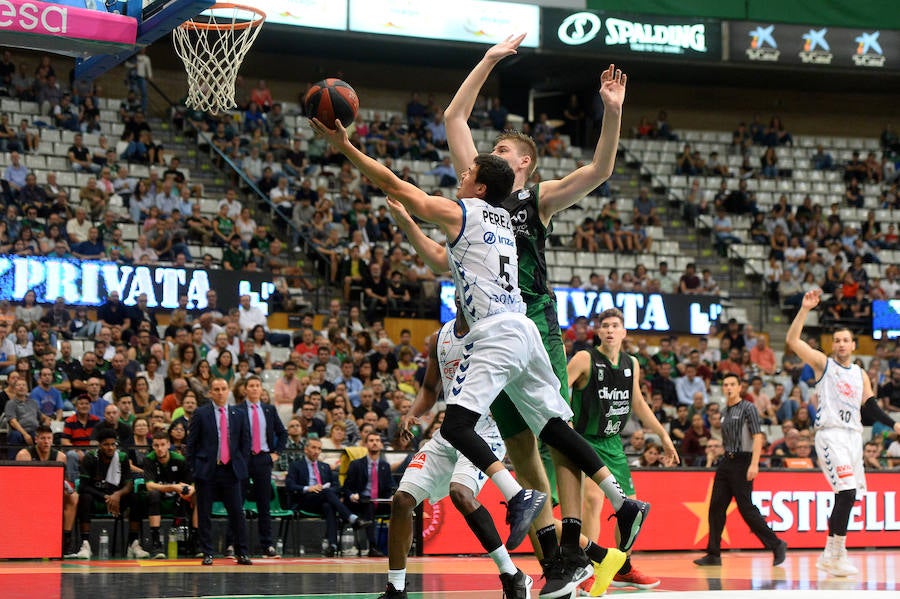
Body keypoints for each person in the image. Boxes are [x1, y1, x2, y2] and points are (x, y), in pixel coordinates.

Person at [310, 63, 647, 599]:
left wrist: (612, 112)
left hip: (524, 318)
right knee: (528, 440)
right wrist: (489, 58)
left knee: (530, 439)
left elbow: (600, 169)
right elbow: (453, 119)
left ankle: (574, 544)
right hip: (507, 324)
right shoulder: (483, 204)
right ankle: (560, 554)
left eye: (501, 150)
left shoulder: (526, 200)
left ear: (523, 166)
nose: (480, 155)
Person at [378, 311, 529, 599]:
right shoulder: (440, 337)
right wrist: (412, 413)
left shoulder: (493, 332)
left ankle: (512, 574)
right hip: (449, 431)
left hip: (485, 433)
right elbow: (428, 388)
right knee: (401, 500)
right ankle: (396, 588)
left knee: (461, 493)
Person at [786, 288, 900, 577]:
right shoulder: (824, 364)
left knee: (847, 496)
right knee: (847, 491)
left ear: (853, 344)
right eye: (836, 340)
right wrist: (804, 310)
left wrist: (894, 423)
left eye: (845, 340)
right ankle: (834, 554)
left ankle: (832, 554)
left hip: (853, 437)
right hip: (830, 434)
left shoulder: (860, 373)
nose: (840, 344)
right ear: (833, 345)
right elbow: (791, 341)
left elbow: (870, 406)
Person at [566, 308, 679, 591]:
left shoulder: (632, 363)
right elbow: (557, 390)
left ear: (624, 332)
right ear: (598, 332)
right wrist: (562, 426)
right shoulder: (584, 358)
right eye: (604, 326)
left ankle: (623, 567)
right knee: (593, 500)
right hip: (585, 440)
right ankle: (589, 568)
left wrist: (663, 434)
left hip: (613, 443)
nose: (609, 330)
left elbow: (638, 403)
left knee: (630, 507)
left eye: (615, 325)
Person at [692, 374, 787, 567]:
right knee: (716, 507)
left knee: (746, 509)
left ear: (740, 387)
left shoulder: (748, 408)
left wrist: (754, 464)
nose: (728, 388)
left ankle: (776, 544)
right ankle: (714, 553)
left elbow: (758, 436)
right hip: (727, 461)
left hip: (743, 462)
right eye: (725, 384)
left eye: (732, 384)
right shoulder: (725, 411)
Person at [187, 378, 253, 566]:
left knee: (237, 513)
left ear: (228, 391)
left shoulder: (238, 413)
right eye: (216, 389)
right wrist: (194, 468)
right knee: (205, 513)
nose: (220, 392)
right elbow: (191, 443)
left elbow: (245, 443)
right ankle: (207, 552)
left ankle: (242, 552)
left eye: (223, 389)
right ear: (210, 392)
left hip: (230, 470)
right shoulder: (201, 413)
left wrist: (241, 463)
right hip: (207, 470)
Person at [228, 375, 286, 557]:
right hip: (243, 460)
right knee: (237, 502)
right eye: (251, 386)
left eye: (257, 386)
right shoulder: (236, 410)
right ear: (245, 389)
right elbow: (231, 436)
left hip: (263, 459)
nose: (254, 389)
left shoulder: (269, 410)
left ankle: (267, 545)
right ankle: (231, 543)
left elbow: (282, 433)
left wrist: (276, 453)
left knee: (264, 504)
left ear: (261, 389)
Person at [285, 435, 370, 557]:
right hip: (304, 500)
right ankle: (352, 518)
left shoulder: (324, 466)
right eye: (313, 448)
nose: (316, 451)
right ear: (306, 449)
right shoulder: (296, 465)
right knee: (327, 493)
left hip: (323, 499)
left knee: (328, 505)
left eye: (319, 448)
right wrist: (308, 488)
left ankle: (332, 546)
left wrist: (327, 488)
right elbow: (290, 485)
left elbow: (337, 486)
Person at [69, 428, 141, 560]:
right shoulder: (90, 457)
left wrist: (117, 495)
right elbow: (84, 486)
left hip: (117, 498)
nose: (110, 447)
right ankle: (85, 544)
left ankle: (134, 543)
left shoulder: (122, 457)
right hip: (97, 498)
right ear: (100, 445)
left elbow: (129, 484)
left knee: (135, 497)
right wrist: (106, 497)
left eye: (113, 444)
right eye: (106, 444)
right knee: (84, 497)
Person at [16, 424, 79, 556]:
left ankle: (65, 539)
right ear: (36, 439)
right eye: (43, 438)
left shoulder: (60, 456)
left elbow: (64, 480)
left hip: (52, 493)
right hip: (29, 493)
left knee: (74, 497)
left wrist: (68, 487)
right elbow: (20, 484)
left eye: (49, 438)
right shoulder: (24, 455)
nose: (46, 441)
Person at [143, 431, 195, 559]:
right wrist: (172, 487)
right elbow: (149, 485)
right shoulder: (149, 459)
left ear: (169, 445)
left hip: (178, 497)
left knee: (191, 496)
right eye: (156, 445)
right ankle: (156, 544)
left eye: (162, 445)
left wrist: (189, 489)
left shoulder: (179, 459)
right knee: (153, 494)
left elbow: (190, 483)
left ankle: (191, 542)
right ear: (152, 446)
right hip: (159, 497)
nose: (159, 449)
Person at [343, 432, 393, 557]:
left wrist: (392, 496)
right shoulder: (356, 464)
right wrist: (351, 495)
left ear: (381, 444)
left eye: (377, 440)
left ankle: (402, 547)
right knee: (368, 504)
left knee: (400, 507)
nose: (374, 443)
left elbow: (388, 488)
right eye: (371, 440)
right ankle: (373, 547)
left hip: (380, 502)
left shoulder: (385, 466)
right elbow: (346, 487)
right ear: (366, 444)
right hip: (360, 501)